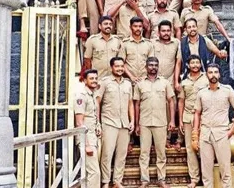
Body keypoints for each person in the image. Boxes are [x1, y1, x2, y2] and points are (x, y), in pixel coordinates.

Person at [192, 64, 234, 188]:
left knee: (225, 170)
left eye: (215, 72)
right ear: (206, 75)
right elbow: (197, 113)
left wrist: (231, 130)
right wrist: (195, 134)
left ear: (219, 74)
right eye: (210, 72)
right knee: (206, 171)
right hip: (205, 134)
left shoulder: (227, 90)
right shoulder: (201, 93)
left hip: (222, 133)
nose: (213, 75)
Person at [133, 57, 176, 188]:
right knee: (144, 153)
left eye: (156, 65)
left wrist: (172, 120)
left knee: (161, 153)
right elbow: (136, 105)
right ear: (146, 67)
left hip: (160, 122)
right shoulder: (140, 84)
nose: (153, 67)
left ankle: (161, 179)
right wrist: (136, 124)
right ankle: (144, 180)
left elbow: (171, 101)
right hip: (144, 123)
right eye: (151, 65)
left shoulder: (165, 83)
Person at [96, 57, 134, 188]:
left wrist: (132, 120)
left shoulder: (127, 84)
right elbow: (97, 102)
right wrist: (98, 123)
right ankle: (105, 182)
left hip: (124, 123)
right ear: (112, 67)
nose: (120, 69)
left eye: (122, 66)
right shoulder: (105, 82)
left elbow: (130, 103)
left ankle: (117, 181)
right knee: (107, 154)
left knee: (121, 155)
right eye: (117, 66)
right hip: (109, 122)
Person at [178, 55, 209, 188]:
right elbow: (181, 101)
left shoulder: (207, 79)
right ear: (188, 65)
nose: (195, 65)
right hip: (188, 117)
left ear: (200, 64)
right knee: (190, 149)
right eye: (192, 63)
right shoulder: (184, 82)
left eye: (197, 62)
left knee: (205, 148)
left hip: (204, 117)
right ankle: (194, 179)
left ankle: (207, 179)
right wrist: (180, 120)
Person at [75, 69, 101, 188]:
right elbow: (79, 122)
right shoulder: (81, 96)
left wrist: (98, 125)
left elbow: (94, 115)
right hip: (86, 138)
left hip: (94, 137)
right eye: (91, 78)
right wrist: (86, 145)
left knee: (89, 172)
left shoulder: (93, 95)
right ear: (85, 80)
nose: (94, 81)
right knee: (94, 172)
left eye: (96, 78)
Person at [118, 16, 154, 83]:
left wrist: (145, 77)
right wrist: (131, 76)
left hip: (145, 80)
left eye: (140, 26)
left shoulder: (148, 44)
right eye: (135, 26)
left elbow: (151, 63)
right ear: (130, 27)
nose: (138, 28)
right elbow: (121, 63)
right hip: (128, 81)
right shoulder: (125, 43)